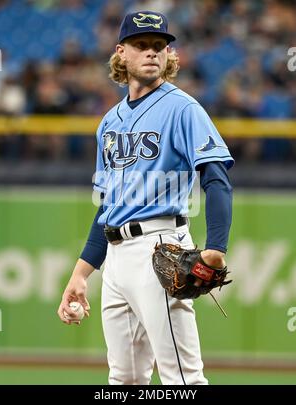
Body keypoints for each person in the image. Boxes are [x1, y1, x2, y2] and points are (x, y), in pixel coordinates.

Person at [58, 10, 234, 385]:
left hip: (161, 248)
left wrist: (216, 247)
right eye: (142, 45)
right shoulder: (109, 122)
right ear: (121, 52)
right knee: (125, 379)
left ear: (170, 56)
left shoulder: (183, 108)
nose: (153, 52)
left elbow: (216, 178)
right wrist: (80, 273)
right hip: (115, 259)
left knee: (183, 379)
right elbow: (109, 206)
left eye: (160, 46)